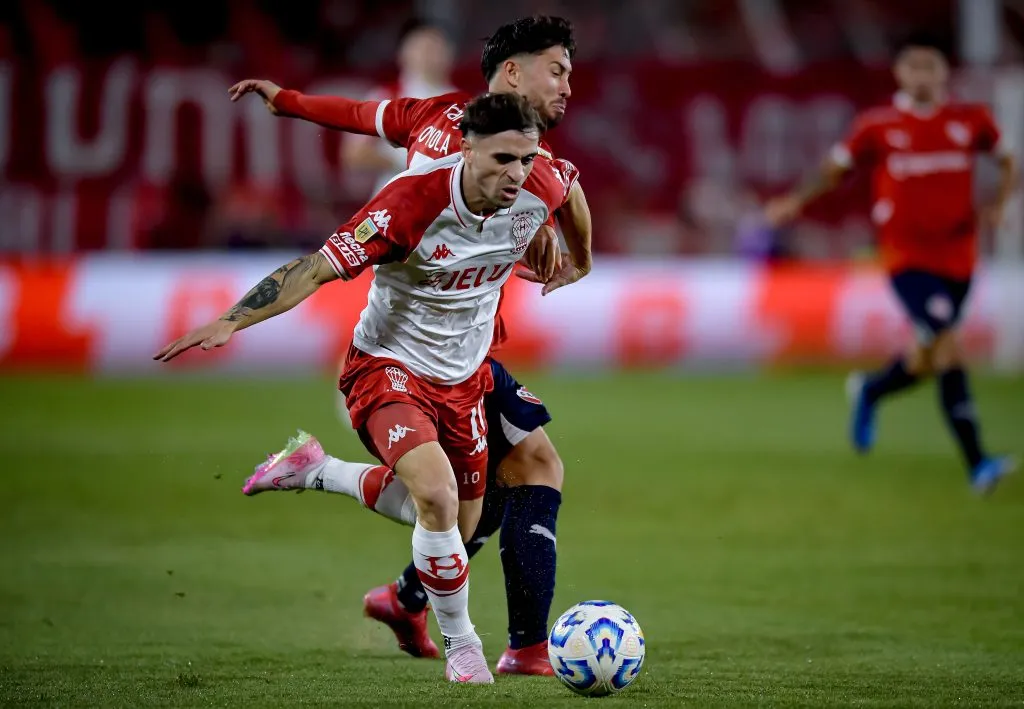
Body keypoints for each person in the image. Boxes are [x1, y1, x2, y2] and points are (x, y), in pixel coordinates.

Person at [155, 92, 577, 684]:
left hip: (462, 382)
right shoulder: (409, 204)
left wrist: (574, 255)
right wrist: (231, 320)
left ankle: (315, 469)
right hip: (386, 368)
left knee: (459, 524)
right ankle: (464, 647)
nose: (516, 174)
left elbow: (567, 192)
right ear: (465, 147)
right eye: (502, 158)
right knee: (434, 495)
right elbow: (313, 269)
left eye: (527, 159)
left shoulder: (540, 189)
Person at [765, 33, 1018, 493]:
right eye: (913, 67)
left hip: (959, 257)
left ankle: (871, 390)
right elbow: (834, 170)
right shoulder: (878, 126)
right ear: (900, 74)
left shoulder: (971, 119)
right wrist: (794, 202)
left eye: (931, 67)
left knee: (924, 358)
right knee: (946, 346)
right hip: (907, 257)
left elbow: (1007, 160)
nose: (923, 76)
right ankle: (979, 464)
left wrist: (1000, 204)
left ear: (944, 73)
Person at [343, 19, 456, 196]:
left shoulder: (464, 104)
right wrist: (401, 161)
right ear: (404, 55)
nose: (428, 55)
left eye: (435, 47)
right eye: (422, 48)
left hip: (442, 208)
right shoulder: (387, 97)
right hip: (393, 203)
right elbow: (353, 154)